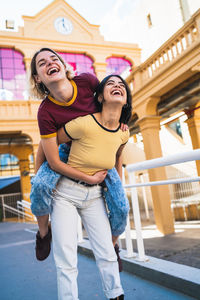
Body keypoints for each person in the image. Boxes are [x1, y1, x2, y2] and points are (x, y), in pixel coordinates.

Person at [29, 48, 130, 270]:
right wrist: (40, 178)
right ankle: (44, 233)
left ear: (64, 66)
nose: (50, 63)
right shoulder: (46, 111)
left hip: (100, 148)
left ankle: (112, 246)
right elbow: (47, 152)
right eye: (42, 63)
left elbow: (109, 100)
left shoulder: (87, 82)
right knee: (39, 185)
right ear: (38, 78)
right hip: (65, 148)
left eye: (54, 59)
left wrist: (119, 121)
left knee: (122, 207)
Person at [51, 74, 131, 300]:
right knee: (66, 257)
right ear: (100, 96)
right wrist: (41, 177)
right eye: (110, 84)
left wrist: (116, 188)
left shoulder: (124, 132)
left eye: (121, 85)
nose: (117, 86)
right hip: (65, 193)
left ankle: (116, 295)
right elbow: (49, 142)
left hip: (95, 196)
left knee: (107, 251)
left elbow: (116, 157)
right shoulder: (83, 123)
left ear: (125, 99)